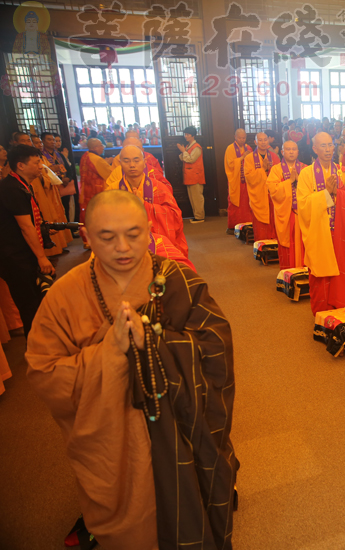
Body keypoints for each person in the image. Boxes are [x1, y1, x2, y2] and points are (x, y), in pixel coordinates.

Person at [26, 190, 238, 549]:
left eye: (134, 234)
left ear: (149, 229)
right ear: (87, 237)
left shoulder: (175, 280)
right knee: (130, 529)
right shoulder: (63, 297)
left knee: (192, 510)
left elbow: (216, 345)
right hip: (113, 442)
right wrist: (109, 353)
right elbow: (44, 375)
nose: (122, 247)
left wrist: (154, 345)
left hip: (180, 432)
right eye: (107, 238)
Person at [296, 132, 345, 315]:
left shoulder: (343, 171)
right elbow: (303, 205)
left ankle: (343, 313)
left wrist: (337, 193)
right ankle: (321, 318)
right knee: (321, 277)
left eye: (330, 145)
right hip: (319, 233)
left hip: (340, 233)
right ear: (314, 149)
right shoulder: (307, 174)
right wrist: (326, 194)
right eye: (323, 146)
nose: (328, 149)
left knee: (342, 273)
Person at [0, 145, 55, 336]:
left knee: (36, 300)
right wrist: (41, 258)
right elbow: (25, 226)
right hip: (15, 256)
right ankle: (35, 348)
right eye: (37, 162)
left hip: (22, 252)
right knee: (29, 303)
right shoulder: (12, 189)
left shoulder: (22, 185)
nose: (41, 166)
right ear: (21, 166)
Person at [111, 145, 189, 261]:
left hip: (156, 240)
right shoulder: (112, 190)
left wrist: (145, 205)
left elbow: (175, 217)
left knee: (180, 268)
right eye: (126, 161)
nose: (132, 165)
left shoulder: (159, 188)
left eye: (136, 160)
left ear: (144, 161)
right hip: (121, 242)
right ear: (120, 162)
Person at [266, 140, 306, 269]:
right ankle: (287, 273)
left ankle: (305, 272)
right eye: (288, 149)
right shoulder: (276, 170)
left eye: (294, 149)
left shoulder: (305, 168)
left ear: (298, 152)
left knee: (304, 242)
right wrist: (290, 181)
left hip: (303, 214)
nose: (291, 152)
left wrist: (300, 181)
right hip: (286, 213)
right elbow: (272, 189)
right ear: (282, 152)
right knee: (288, 243)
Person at [243, 132, 279, 241]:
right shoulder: (249, 158)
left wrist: (269, 170)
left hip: (272, 194)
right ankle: (261, 243)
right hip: (259, 194)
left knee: (275, 219)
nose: (263, 142)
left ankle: (275, 243)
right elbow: (248, 177)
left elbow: (279, 173)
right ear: (255, 142)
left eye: (265, 140)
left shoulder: (274, 156)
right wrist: (262, 170)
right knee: (260, 222)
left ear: (268, 141)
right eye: (260, 140)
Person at [78, 138, 113, 228]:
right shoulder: (97, 159)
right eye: (101, 145)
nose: (103, 147)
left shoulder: (85, 155)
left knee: (89, 211)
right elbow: (109, 174)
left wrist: (104, 163)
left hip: (87, 190)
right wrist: (109, 163)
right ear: (95, 147)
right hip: (97, 190)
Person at [224, 128, 254, 230]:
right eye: (240, 138)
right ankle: (233, 226)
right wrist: (242, 157)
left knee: (247, 204)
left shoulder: (248, 148)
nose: (242, 140)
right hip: (236, 180)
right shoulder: (230, 148)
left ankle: (247, 225)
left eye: (244, 138)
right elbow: (230, 164)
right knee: (235, 203)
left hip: (247, 181)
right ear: (235, 137)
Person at [177, 126, 205, 223]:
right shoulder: (188, 146)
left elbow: (190, 159)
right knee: (192, 198)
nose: (186, 136)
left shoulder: (196, 147)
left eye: (188, 134)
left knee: (197, 198)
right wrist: (183, 151)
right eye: (185, 134)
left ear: (193, 135)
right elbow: (182, 157)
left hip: (195, 175)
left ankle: (200, 217)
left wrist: (183, 152)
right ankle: (196, 216)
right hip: (189, 176)